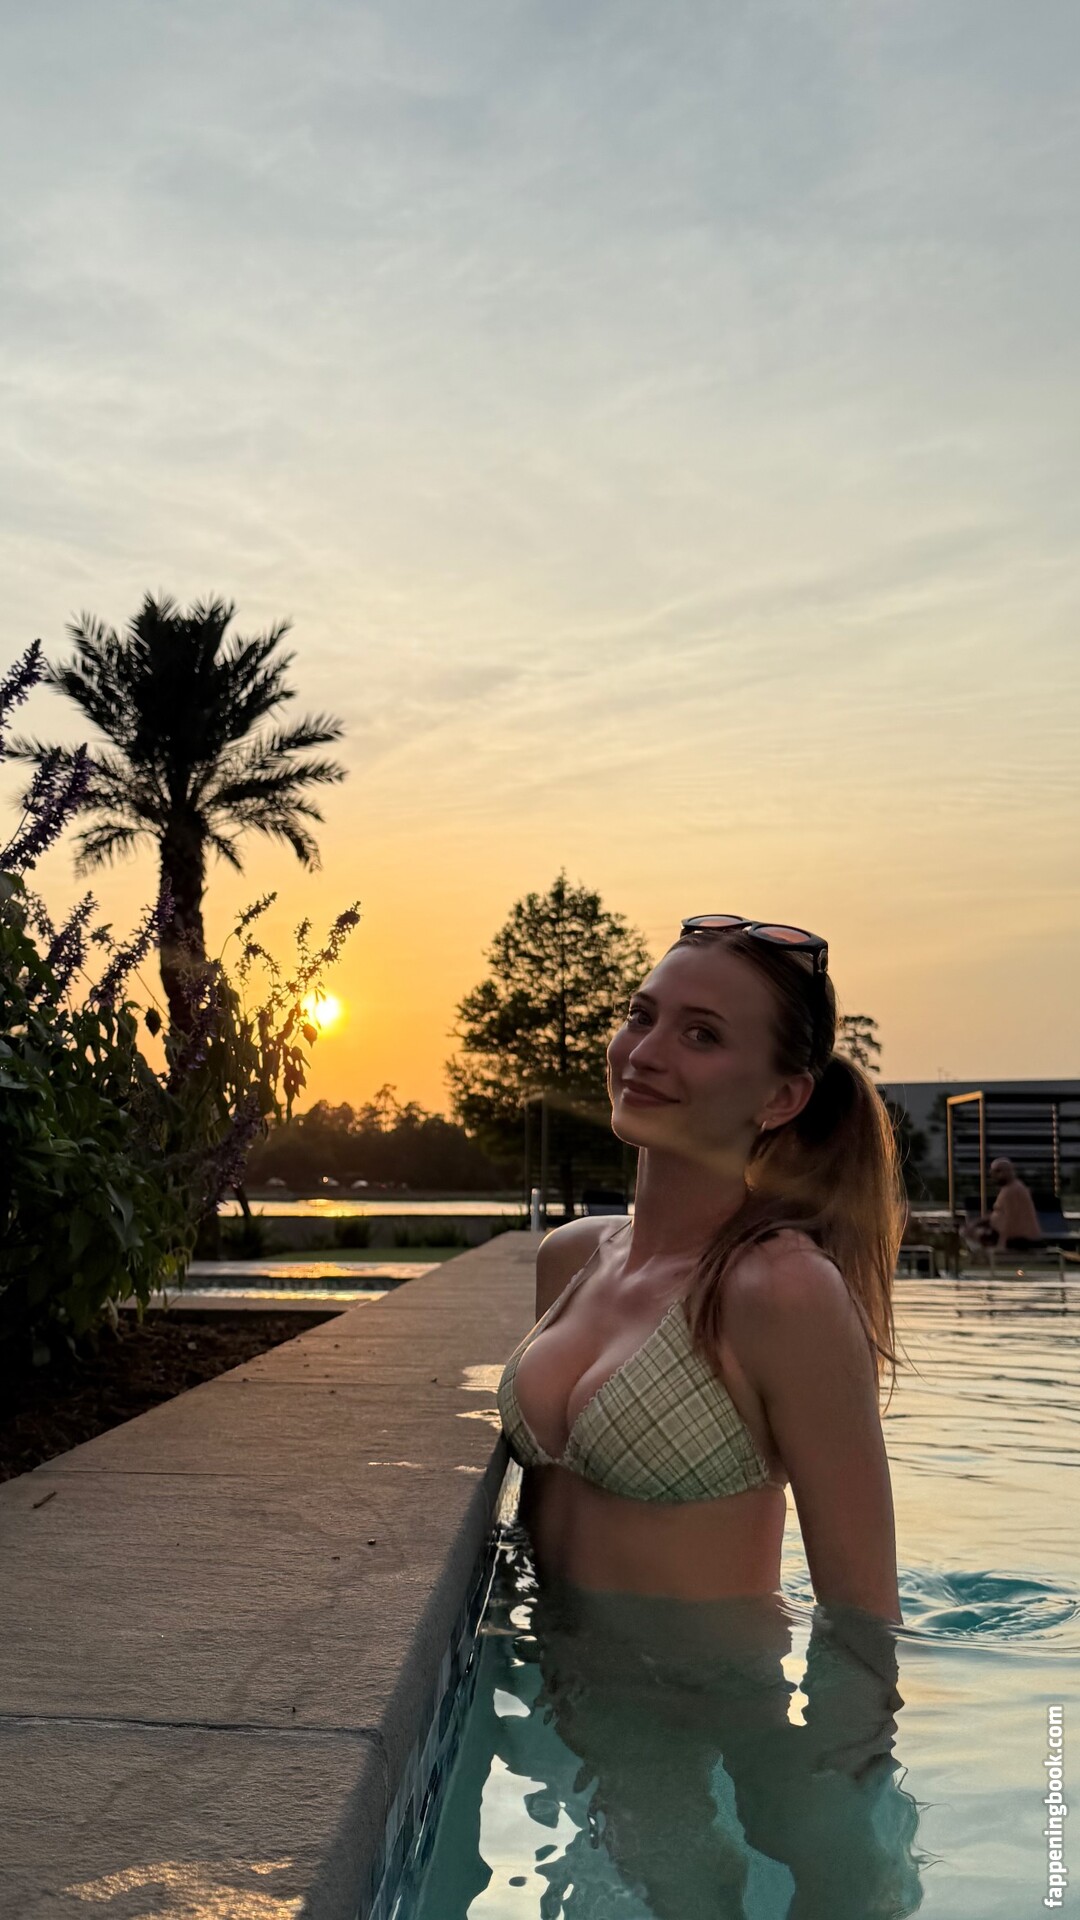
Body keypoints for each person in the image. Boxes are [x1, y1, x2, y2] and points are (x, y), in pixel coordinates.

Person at [496, 915, 924, 1917]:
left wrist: (842, 1806)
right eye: (641, 1016)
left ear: (781, 1098)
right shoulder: (574, 1257)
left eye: (701, 1034)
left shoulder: (782, 1290)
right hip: (561, 1691)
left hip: (714, 1714)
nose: (644, 1053)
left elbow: (862, 1605)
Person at [963, 1157, 1044, 1252]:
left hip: (1018, 1239)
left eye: (998, 1171)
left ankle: (983, 1256)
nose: (994, 1175)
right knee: (970, 1230)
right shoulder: (1012, 1188)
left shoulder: (1012, 1191)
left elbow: (1010, 1220)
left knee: (969, 1233)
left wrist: (1002, 1244)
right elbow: (999, 1215)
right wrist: (976, 1223)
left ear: (1010, 1171)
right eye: (993, 1172)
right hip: (1012, 1235)